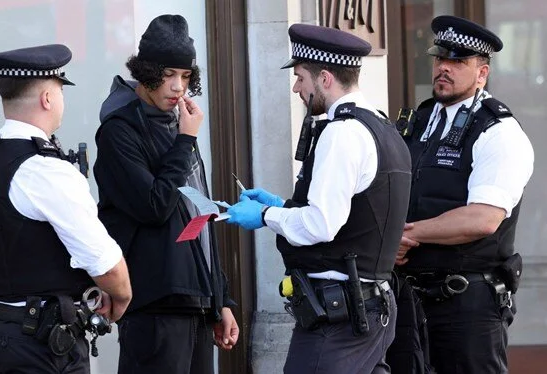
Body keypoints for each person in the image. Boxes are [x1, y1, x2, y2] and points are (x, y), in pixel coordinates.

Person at [227, 24, 412, 373]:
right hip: (369, 311)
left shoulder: (341, 134)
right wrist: (283, 207)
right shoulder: (381, 127)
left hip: (340, 320)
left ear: (325, 78)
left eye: (300, 78)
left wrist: (266, 214)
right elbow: (355, 215)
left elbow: (321, 224)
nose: (297, 88)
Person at [0, 44, 132, 373]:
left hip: (0, 334)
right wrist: (122, 295)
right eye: (59, 89)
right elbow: (105, 263)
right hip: (41, 346)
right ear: (47, 98)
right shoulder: (45, 169)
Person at [93, 14, 239, 374]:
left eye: (186, 77)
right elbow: (154, 206)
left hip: (195, 303)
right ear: (146, 71)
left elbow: (199, 216)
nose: (178, 87)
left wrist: (220, 299)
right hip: (155, 304)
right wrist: (186, 140)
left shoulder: (177, 124)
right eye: (169, 74)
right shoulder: (119, 131)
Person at [393, 15, 534, 374]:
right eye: (441, 59)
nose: (444, 68)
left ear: (482, 73)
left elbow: (482, 219)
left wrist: (405, 236)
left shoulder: (499, 132)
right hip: (407, 302)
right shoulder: (418, 121)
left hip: (466, 306)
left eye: (458, 61)